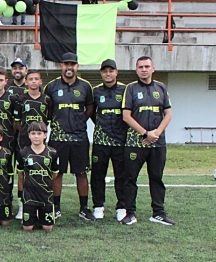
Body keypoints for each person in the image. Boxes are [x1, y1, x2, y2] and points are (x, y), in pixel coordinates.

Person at [121, 56, 174, 226]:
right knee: (130, 179)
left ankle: (158, 213)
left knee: (156, 178)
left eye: (147, 66)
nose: (144, 69)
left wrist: (156, 133)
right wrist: (145, 134)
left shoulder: (161, 87)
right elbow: (126, 116)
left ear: (153, 69)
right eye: (140, 67)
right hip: (135, 143)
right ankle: (130, 213)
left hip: (157, 143)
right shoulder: (130, 89)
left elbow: (168, 114)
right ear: (136, 70)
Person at [43, 53, 95, 221]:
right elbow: (48, 111)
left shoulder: (86, 86)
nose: (69, 67)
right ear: (61, 66)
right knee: (57, 173)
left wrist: (78, 122)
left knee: (81, 173)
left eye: (72, 64)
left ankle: (84, 208)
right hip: (57, 138)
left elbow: (89, 109)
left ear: (77, 67)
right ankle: (56, 207)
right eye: (66, 64)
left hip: (79, 137)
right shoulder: (51, 87)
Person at [91, 59, 127, 221]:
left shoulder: (125, 90)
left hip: (120, 141)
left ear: (116, 72)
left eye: (111, 71)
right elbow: (92, 113)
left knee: (121, 175)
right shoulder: (96, 91)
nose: (108, 74)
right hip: (100, 141)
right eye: (105, 71)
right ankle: (98, 206)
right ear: (101, 73)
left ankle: (122, 207)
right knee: (98, 175)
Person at [14, 70, 53, 220]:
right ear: (26, 81)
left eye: (36, 79)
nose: (34, 82)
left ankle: (42, 204)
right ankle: (22, 205)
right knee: (23, 173)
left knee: (41, 171)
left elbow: (47, 120)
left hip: (40, 142)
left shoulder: (47, 100)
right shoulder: (21, 99)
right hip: (24, 140)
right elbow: (17, 122)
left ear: (41, 81)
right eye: (31, 79)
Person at [17, 121, 58, 232]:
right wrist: (21, 193)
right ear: (29, 135)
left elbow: (55, 174)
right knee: (27, 228)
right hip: (29, 195)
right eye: (33, 133)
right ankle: (32, 217)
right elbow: (20, 174)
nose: (36, 136)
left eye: (39, 133)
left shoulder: (52, 153)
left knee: (48, 228)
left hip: (46, 195)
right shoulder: (23, 153)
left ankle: (42, 217)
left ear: (45, 135)